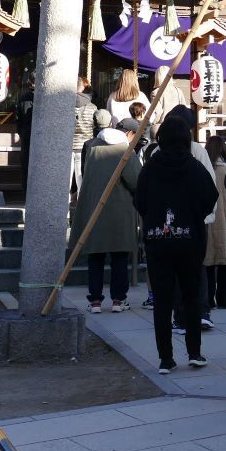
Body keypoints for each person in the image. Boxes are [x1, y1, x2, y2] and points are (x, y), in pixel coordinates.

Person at [133, 116, 218, 373]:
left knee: (162, 299)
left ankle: (165, 358)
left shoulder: (150, 166)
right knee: (191, 296)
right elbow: (210, 197)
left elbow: (140, 201)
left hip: (158, 241)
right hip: (190, 240)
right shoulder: (194, 167)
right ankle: (194, 352)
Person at [72, 117, 142, 313]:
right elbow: (136, 180)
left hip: (95, 207)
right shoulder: (125, 150)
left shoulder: (93, 146)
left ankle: (95, 301)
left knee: (96, 256)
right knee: (119, 256)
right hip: (120, 210)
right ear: (129, 134)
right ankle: (118, 300)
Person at [205, 136, 226, 312]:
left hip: (209, 221)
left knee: (208, 263)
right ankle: (224, 300)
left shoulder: (204, 170)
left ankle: (209, 299)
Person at [71, 77, 97, 192]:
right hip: (84, 145)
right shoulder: (93, 107)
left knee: (65, 176)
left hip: (69, 144)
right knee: (80, 175)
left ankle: (63, 201)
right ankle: (81, 201)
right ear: (83, 87)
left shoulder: (66, 105)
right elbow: (94, 126)